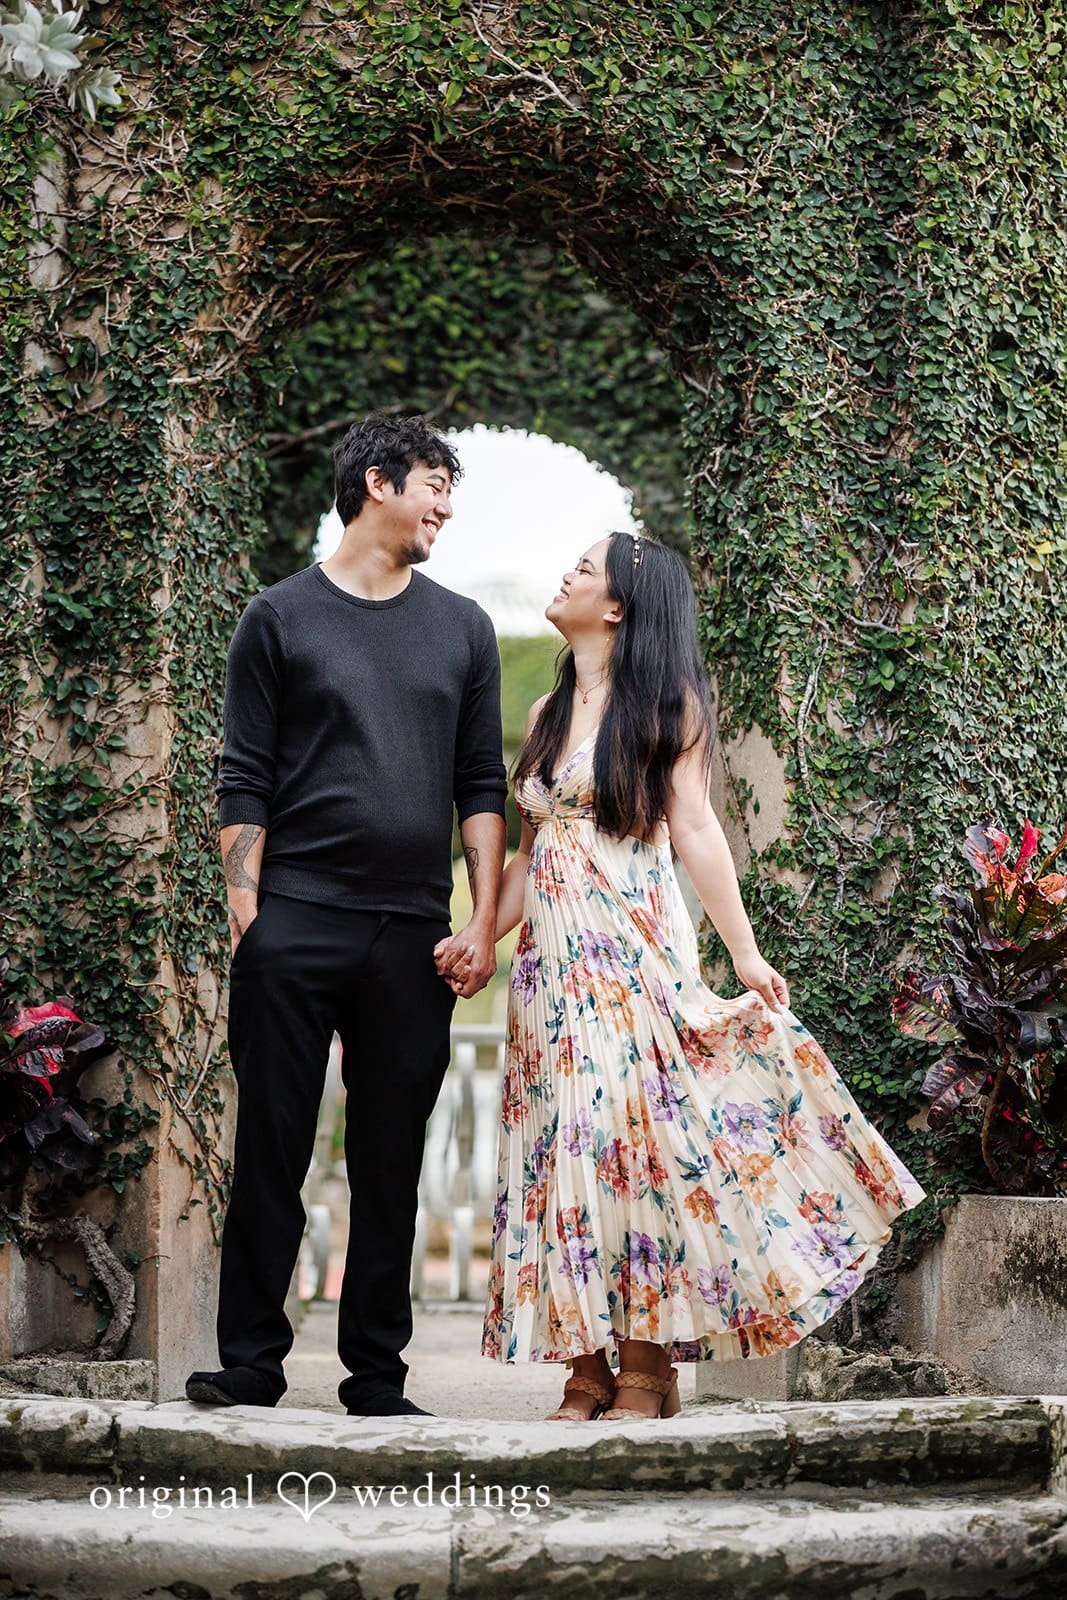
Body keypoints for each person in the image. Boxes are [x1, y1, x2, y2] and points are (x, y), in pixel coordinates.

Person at [439, 529, 926, 1421]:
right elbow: (540, 847)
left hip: (631, 961)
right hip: (549, 975)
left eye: (582, 568)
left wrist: (742, 954)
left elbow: (696, 830)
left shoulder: (667, 705)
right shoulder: (551, 711)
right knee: (563, 1152)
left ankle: (645, 1365)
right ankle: (582, 1369)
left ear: (617, 605)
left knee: (631, 1153)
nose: (565, 572)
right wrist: (479, 931)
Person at [186, 414, 506, 1417]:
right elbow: (243, 779)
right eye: (433, 485)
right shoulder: (276, 618)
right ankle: (249, 1364)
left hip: (412, 935)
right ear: (377, 483)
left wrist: (482, 923)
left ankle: (377, 1375)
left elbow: (480, 788)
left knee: (388, 1163)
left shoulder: (463, 627)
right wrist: (252, 919)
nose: (445, 506)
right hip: (294, 923)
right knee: (272, 1148)